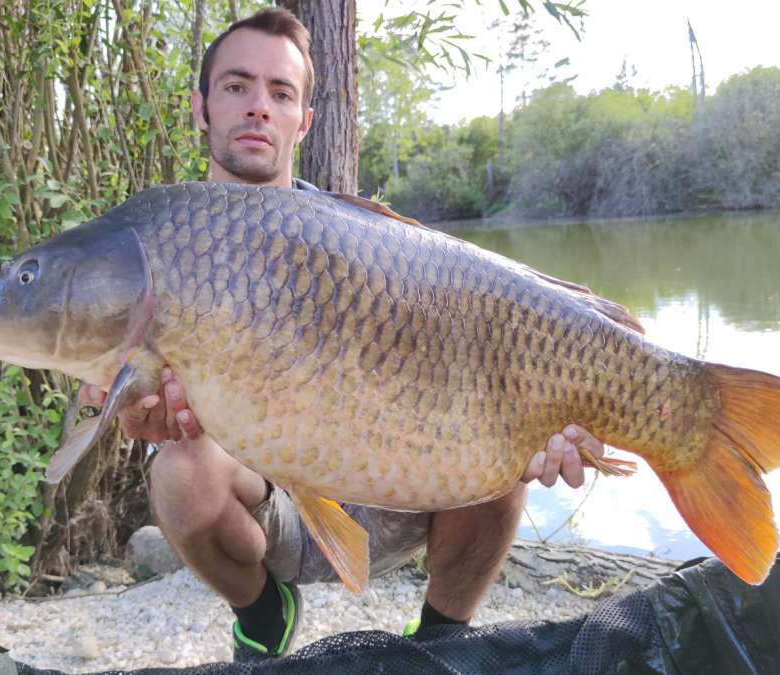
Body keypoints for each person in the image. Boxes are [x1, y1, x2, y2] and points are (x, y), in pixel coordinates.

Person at [81, 8, 608, 662]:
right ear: (201, 107)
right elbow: (109, 396)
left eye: (280, 93)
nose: (258, 106)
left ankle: (441, 638)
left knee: (504, 446)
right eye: (237, 86)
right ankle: (263, 611)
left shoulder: (359, 247)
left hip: (397, 488)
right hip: (267, 510)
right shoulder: (163, 242)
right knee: (178, 472)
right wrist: (135, 417)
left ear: (303, 120)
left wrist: (558, 416)